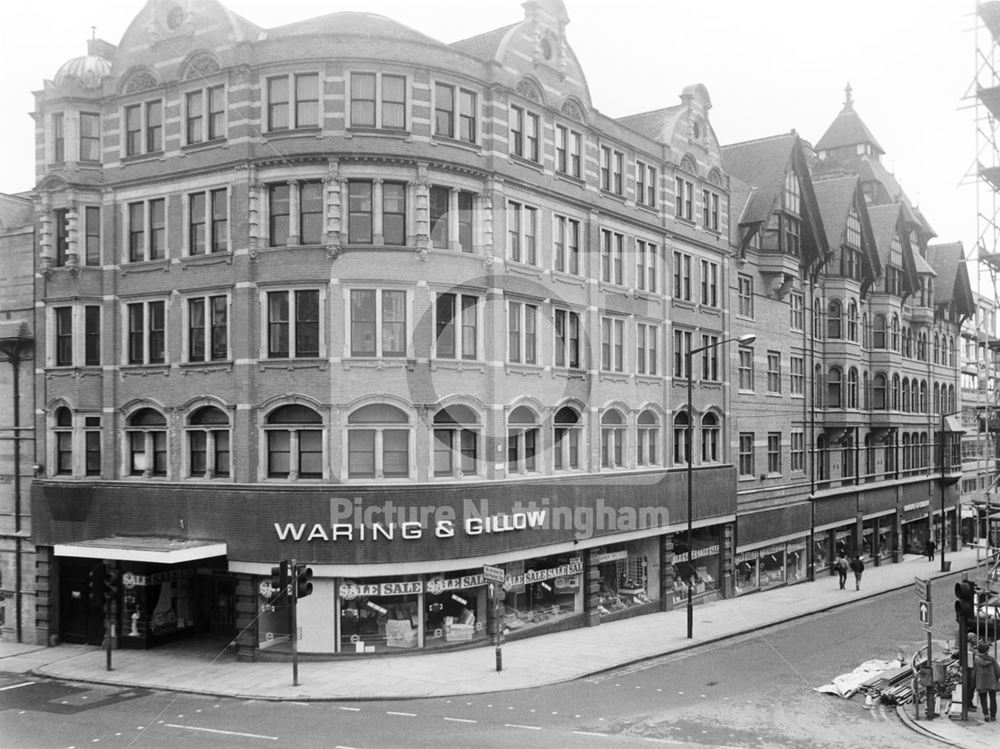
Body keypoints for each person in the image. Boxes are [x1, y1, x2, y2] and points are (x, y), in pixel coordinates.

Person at [973, 641, 1000, 722]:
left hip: (981, 682)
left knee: (983, 699)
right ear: (987, 651)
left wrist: (973, 681)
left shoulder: (976, 660)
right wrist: (997, 678)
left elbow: (973, 672)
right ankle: (993, 716)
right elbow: (998, 671)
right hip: (992, 682)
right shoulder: (992, 660)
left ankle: (986, 715)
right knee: (993, 698)